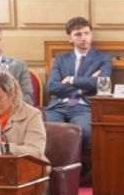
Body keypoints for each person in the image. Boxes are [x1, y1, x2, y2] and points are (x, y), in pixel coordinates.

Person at [44, 16, 111, 145]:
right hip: (58, 106)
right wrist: (85, 84)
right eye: (78, 34)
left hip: (83, 107)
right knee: (47, 132)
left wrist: (71, 79)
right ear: (70, 38)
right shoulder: (61, 59)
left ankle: (78, 159)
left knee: (85, 132)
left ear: (91, 34)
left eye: (86, 33)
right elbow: (52, 87)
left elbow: (101, 83)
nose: (83, 38)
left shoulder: (103, 58)